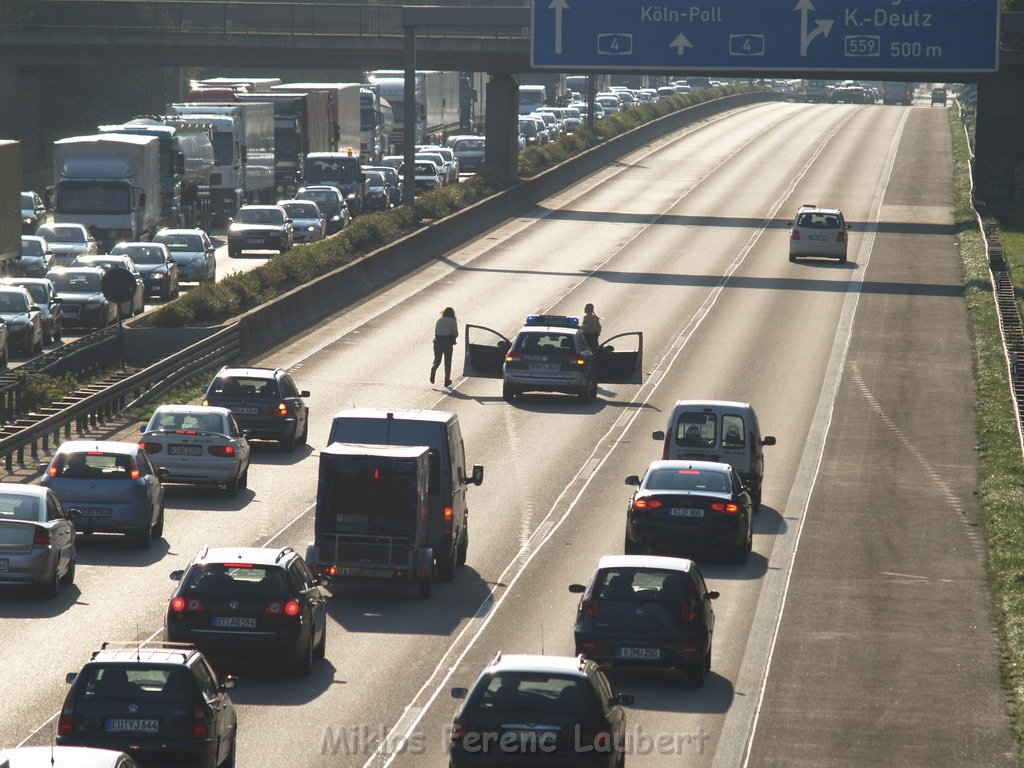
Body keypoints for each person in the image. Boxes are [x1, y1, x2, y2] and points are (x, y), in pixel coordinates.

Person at [430, 307, 458, 387]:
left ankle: (434, 368)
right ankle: (446, 380)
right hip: (447, 342)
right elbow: (455, 333)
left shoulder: (439, 320)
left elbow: (436, 332)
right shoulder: (453, 321)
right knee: (448, 361)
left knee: (437, 360)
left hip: (437, 341)